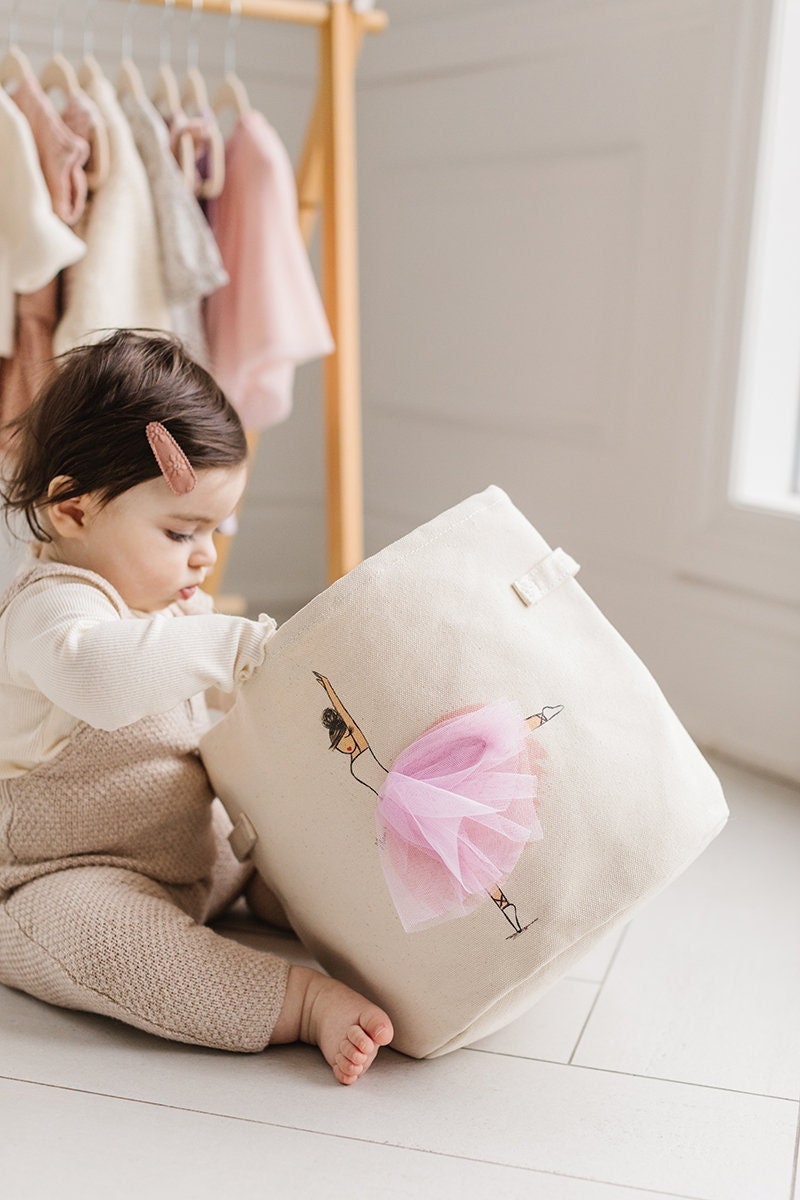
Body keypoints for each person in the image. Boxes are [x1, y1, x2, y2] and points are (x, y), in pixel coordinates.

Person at [0, 329, 393, 1085]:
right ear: (72, 510)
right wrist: (228, 645)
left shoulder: (163, 602)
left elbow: (232, 707)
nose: (205, 555)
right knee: (112, 942)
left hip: (199, 855)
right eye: (182, 531)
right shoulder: (50, 616)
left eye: (217, 529)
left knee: (304, 853)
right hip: (60, 877)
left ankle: (357, 924)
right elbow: (100, 680)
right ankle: (298, 1001)